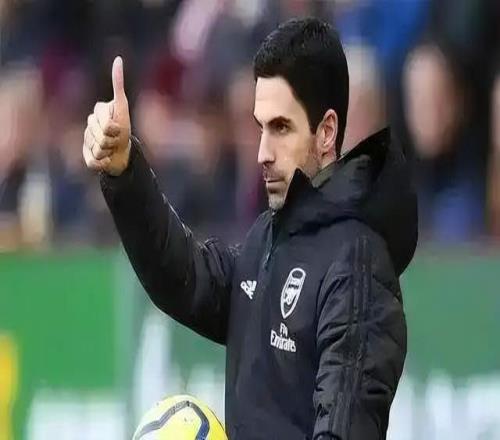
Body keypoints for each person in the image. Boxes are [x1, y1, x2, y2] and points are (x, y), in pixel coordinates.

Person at [83, 18, 417, 440]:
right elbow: (186, 278)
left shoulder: (357, 266)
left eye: (281, 128)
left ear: (327, 131)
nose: (262, 152)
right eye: (260, 127)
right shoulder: (268, 239)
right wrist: (125, 171)